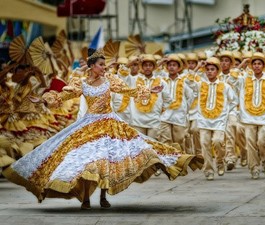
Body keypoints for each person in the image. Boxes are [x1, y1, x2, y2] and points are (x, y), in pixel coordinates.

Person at [3, 48, 204, 210]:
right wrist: (42, 99)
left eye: (104, 65)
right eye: (100, 65)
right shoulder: (80, 83)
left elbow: (128, 90)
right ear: (91, 66)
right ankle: (86, 199)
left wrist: (149, 90)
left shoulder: (111, 81)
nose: (104, 68)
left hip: (109, 125)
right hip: (88, 125)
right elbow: (62, 96)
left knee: (106, 161)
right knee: (87, 162)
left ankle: (103, 196)